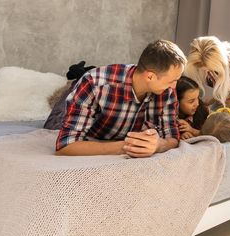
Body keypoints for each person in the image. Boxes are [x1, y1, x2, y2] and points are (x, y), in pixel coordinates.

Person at [55, 40, 186, 158]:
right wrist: (127, 146)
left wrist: (158, 145)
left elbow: (172, 138)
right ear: (150, 77)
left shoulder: (167, 91)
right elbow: (65, 146)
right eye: (172, 80)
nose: (174, 86)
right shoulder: (94, 83)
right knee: (54, 121)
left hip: (117, 129)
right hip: (77, 110)